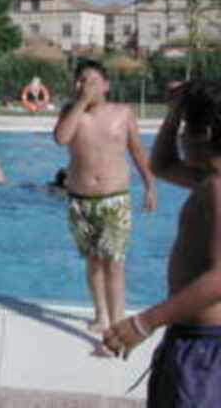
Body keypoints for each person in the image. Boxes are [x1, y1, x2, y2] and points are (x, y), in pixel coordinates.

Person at [102, 81, 221, 406]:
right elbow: (162, 165)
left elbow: (220, 278)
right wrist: (174, 112)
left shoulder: (217, 188)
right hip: (193, 341)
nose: (180, 135)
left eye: (185, 127)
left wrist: (145, 322)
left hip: (205, 350)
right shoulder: (207, 179)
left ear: (206, 132)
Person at [54, 59, 156, 333]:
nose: (83, 85)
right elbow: (61, 138)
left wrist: (150, 186)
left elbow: (137, 152)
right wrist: (80, 103)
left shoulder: (122, 113)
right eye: (79, 80)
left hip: (114, 199)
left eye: (90, 81)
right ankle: (101, 313)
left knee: (115, 264)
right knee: (94, 261)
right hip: (79, 200)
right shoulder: (70, 113)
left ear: (106, 86)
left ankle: (118, 325)